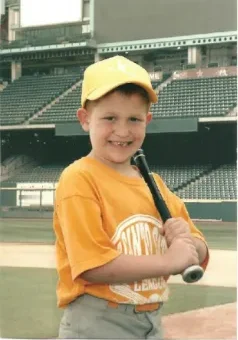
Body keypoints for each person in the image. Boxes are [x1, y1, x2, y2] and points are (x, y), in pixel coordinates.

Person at [53, 56, 209, 339]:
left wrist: (188, 242)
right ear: (85, 119)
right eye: (110, 118)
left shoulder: (154, 184)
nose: (122, 131)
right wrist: (169, 262)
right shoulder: (79, 178)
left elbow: (198, 249)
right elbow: (93, 266)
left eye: (134, 119)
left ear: (147, 120)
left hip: (151, 320)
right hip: (98, 322)